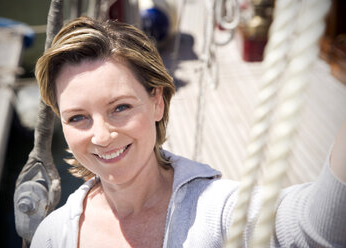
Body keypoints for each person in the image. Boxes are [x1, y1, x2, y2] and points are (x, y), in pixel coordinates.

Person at [30, 16, 346, 248]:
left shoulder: (217, 209)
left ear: (157, 103)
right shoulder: (52, 236)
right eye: (78, 118)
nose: (100, 136)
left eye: (121, 107)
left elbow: (316, 229)